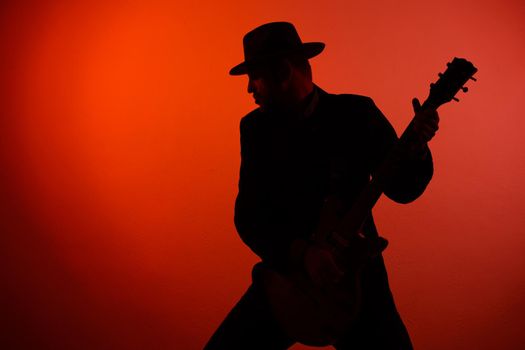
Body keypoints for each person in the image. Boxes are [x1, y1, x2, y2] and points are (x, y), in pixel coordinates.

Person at [205, 22, 439, 349]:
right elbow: (249, 217)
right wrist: (303, 255)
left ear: (283, 72)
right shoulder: (255, 129)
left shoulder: (357, 114)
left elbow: (403, 189)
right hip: (287, 281)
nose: (249, 89)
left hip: (356, 278)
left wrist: (416, 148)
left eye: (254, 76)